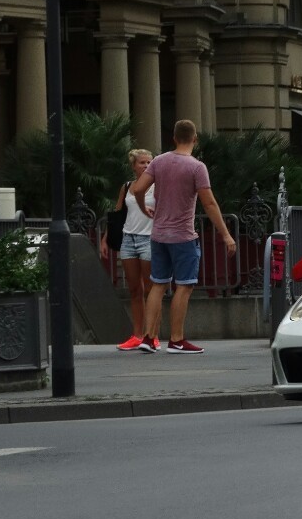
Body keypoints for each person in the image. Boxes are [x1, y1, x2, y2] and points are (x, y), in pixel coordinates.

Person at [130, 120, 236, 354]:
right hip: (183, 236)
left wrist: (143, 208)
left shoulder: (158, 161)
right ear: (195, 139)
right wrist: (226, 235)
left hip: (158, 235)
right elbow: (209, 202)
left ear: (174, 138)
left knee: (158, 284)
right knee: (184, 286)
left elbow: (138, 189)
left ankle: (149, 338)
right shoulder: (197, 167)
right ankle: (176, 340)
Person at [100, 148, 155, 350]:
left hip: (149, 238)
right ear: (133, 166)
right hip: (128, 238)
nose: (147, 166)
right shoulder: (127, 187)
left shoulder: (158, 186)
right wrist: (106, 239)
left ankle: (152, 335)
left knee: (151, 290)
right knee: (134, 289)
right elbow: (117, 214)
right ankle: (137, 335)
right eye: (142, 162)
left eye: (150, 162)